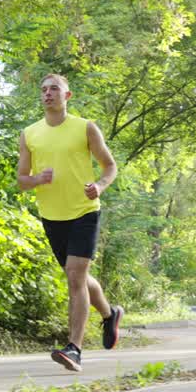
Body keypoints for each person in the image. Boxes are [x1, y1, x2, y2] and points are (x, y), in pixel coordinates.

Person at [17, 73, 124, 372]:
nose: (48, 94)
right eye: (44, 90)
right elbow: (22, 180)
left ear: (67, 96)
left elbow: (109, 165)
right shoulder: (29, 134)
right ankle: (109, 313)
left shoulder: (85, 128)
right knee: (78, 275)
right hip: (52, 215)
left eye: (54, 89)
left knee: (75, 277)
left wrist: (100, 186)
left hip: (84, 210)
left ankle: (74, 349)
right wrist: (37, 179)